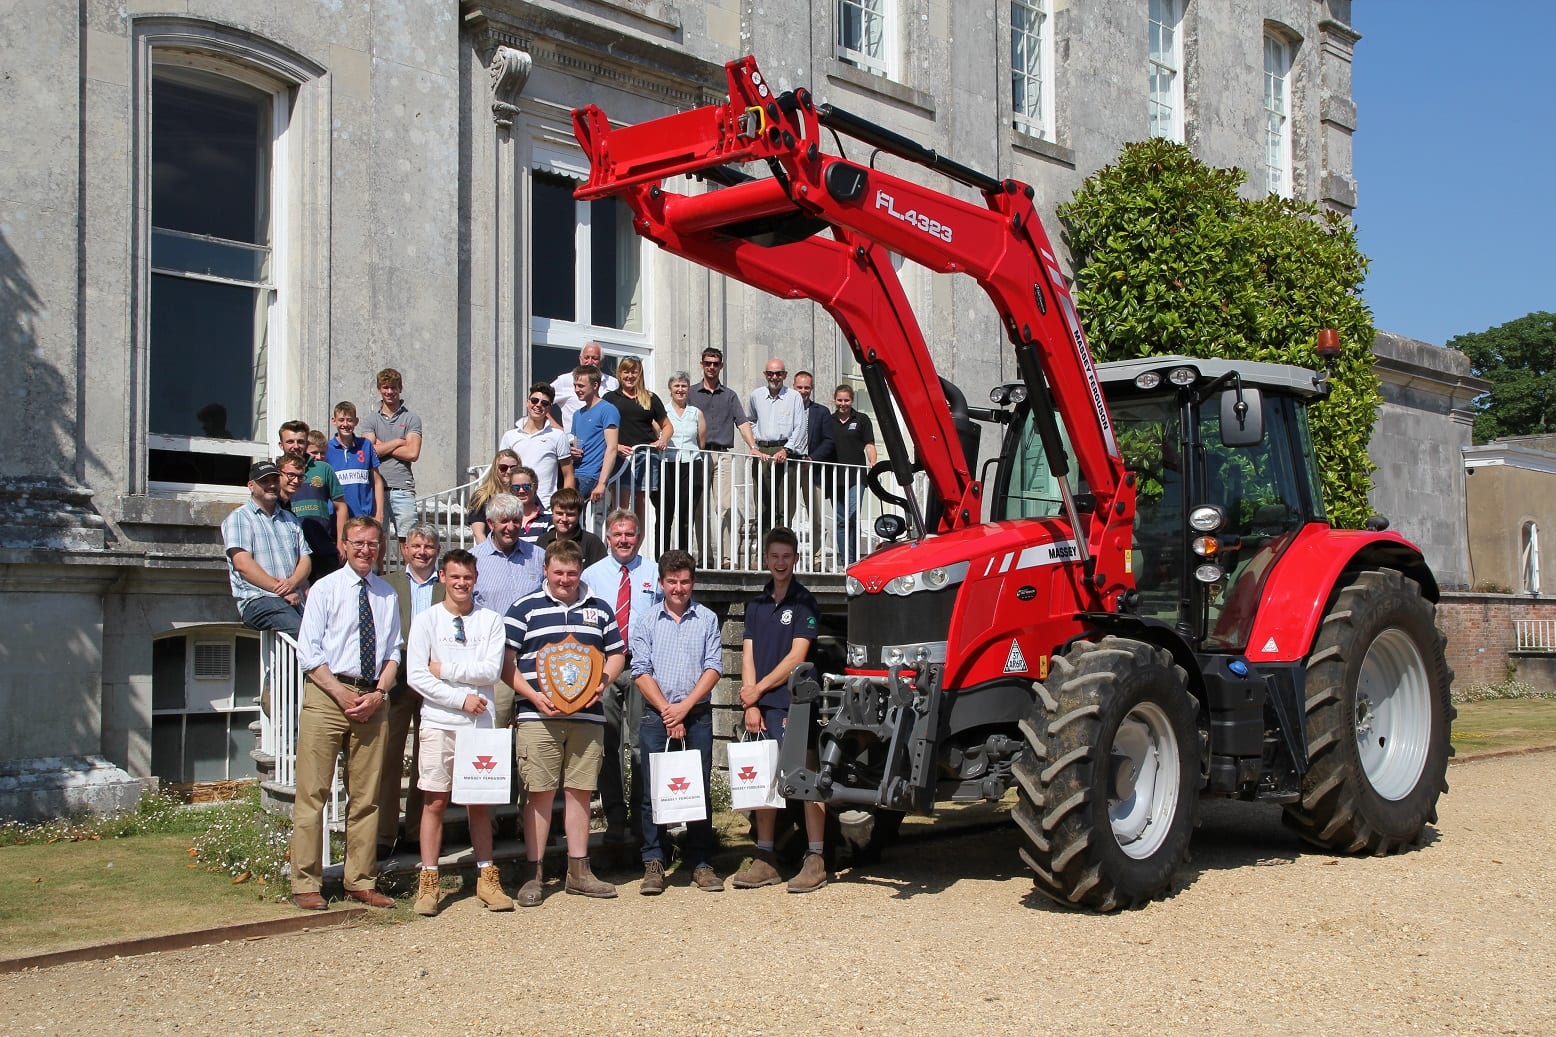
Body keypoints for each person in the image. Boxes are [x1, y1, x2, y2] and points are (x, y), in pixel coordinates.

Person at [502, 539, 628, 905]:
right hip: (537, 715)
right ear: (546, 570)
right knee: (538, 794)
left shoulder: (600, 609)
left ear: (580, 571)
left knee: (581, 793)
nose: (565, 579)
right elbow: (506, 663)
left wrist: (600, 684)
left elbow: (617, 654)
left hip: (587, 715)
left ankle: (579, 870)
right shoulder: (524, 608)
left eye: (572, 573)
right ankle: (534, 873)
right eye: (558, 572)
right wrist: (533, 694)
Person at [288, 516, 402, 911]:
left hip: (372, 698)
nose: (366, 550)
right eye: (358, 543)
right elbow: (309, 652)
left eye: (372, 544)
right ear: (344, 545)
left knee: (367, 798)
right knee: (313, 794)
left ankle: (360, 880)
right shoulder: (324, 589)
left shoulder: (387, 594)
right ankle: (305, 883)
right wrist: (339, 694)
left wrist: (379, 693)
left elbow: (393, 652)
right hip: (327, 694)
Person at [406, 547, 513, 915]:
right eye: (454, 577)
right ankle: (430, 881)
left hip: (479, 725)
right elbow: (416, 674)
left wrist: (446, 669)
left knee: (479, 805)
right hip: (439, 722)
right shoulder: (426, 621)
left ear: (475, 579)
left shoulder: (491, 621)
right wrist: (460, 699)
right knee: (434, 802)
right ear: (443, 578)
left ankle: (487, 877)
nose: (461, 584)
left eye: (467, 578)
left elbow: (490, 671)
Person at [730, 527, 827, 894]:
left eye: (787, 556)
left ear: (796, 559)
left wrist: (758, 689)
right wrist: (750, 700)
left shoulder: (805, 603)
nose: (780, 562)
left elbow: (796, 657)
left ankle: (816, 856)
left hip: (796, 702)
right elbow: (749, 655)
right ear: (766, 559)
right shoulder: (756, 606)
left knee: (806, 774)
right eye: (775, 556)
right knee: (765, 779)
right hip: (763, 704)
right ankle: (765, 856)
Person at [632, 549, 724, 894]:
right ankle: (653, 860)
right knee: (652, 790)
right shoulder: (646, 620)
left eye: (685, 581)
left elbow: (714, 667)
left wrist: (683, 708)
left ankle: (700, 861)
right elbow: (640, 670)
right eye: (672, 581)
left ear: (693, 582)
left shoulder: (708, 619)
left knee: (697, 789)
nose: (679, 588)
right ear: (661, 583)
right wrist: (668, 711)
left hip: (696, 714)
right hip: (657, 716)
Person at [583, 509, 658, 845]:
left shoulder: (654, 572)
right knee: (608, 744)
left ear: (638, 537)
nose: (624, 540)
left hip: (644, 669)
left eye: (630, 534)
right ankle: (615, 816)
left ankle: (644, 818)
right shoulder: (592, 576)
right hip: (605, 667)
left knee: (643, 745)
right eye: (618, 534)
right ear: (608, 538)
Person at [376, 522, 443, 860]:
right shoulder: (387, 585)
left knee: (426, 760)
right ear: (404, 549)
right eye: (416, 546)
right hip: (397, 678)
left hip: (433, 680)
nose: (422, 552)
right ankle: (385, 833)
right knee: (388, 758)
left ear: (437, 551)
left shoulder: (445, 589)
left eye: (428, 547)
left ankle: (418, 831)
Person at [221, 459, 311, 637]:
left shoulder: (290, 519)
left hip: (293, 599)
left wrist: (292, 583)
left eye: (274, 480)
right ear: (251, 486)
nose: (271, 485)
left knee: (327, 635)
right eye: (264, 481)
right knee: (305, 636)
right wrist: (281, 590)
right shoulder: (239, 518)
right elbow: (242, 565)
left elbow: (305, 559)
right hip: (258, 600)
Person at [692, 347, 759, 567]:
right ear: (702, 364)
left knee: (725, 506)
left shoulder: (729, 395)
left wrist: (753, 446)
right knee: (700, 508)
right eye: (708, 363)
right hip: (698, 455)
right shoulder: (691, 393)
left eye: (716, 363)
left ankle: (727, 557)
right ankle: (704, 557)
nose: (711, 367)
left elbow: (742, 422)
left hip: (722, 456)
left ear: (721, 366)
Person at [747, 358, 807, 554]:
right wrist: (755, 445)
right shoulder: (756, 395)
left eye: (779, 374)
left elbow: (800, 426)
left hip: (784, 451)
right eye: (771, 373)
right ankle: (765, 554)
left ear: (785, 375)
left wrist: (787, 450)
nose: (775, 377)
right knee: (763, 503)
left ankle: (782, 553)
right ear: (765, 375)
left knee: (784, 505)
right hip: (763, 450)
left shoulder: (794, 397)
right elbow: (751, 421)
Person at [604, 356, 670, 527]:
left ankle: (636, 547)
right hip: (621, 457)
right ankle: (617, 541)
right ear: (619, 374)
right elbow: (601, 428)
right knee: (620, 503)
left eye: (634, 371)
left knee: (640, 502)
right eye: (626, 371)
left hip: (645, 456)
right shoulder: (610, 398)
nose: (630, 376)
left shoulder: (650, 398)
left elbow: (668, 426)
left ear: (640, 374)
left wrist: (662, 439)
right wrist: (615, 446)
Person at [359, 367, 423, 544]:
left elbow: (412, 453)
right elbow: (367, 452)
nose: (389, 392)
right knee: (376, 539)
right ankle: (377, 573)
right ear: (379, 389)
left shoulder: (411, 419)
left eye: (393, 387)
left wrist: (380, 445)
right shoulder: (371, 420)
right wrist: (397, 441)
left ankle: (409, 573)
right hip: (374, 489)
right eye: (385, 387)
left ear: (400, 389)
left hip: (402, 487)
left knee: (409, 541)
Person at [279, 421, 347, 579]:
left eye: (300, 441)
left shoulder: (323, 468)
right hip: (290, 552)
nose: (296, 446)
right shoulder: (275, 473)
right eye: (290, 441)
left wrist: (341, 542)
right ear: (281, 444)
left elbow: (341, 507)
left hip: (322, 548)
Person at [499, 381, 574, 508]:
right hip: (514, 506)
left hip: (546, 507)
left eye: (544, 403)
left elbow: (568, 474)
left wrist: (566, 504)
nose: (538, 405)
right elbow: (501, 472)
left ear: (549, 408)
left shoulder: (558, 436)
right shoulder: (510, 436)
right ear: (528, 403)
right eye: (534, 400)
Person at [471, 492, 545, 615]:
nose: (510, 527)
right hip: (490, 633)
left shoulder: (539, 556)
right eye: (504, 521)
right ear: (490, 524)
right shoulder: (473, 559)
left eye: (515, 521)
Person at [659, 371, 705, 557]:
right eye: (676, 386)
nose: (680, 389)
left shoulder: (696, 413)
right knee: (666, 511)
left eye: (684, 386)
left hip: (691, 463)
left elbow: (701, 441)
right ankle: (661, 554)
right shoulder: (663, 411)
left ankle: (683, 554)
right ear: (670, 388)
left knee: (687, 513)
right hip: (669, 463)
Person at [792, 370, 836, 565]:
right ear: (794, 387)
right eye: (800, 387)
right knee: (785, 514)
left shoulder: (821, 411)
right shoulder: (787, 409)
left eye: (807, 387)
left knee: (817, 516)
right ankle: (786, 557)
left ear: (812, 388)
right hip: (790, 467)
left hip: (813, 469)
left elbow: (829, 440)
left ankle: (818, 558)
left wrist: (812, 458)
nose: (803, 391)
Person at [831, 383, 877, 565]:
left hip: (857, 477)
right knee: (841, 521)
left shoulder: (862, 419)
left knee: (851, 516)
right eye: (840, 400)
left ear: (852, 400)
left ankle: (854, 559)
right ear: (834, 400)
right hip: (835, 477)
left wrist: (872, 461)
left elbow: (869, 444)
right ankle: (846, 561)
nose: (843, 403)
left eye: (846, 400)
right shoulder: (829, 420)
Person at [568, 366, 620, 522]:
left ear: (595, 385)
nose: (577, 390)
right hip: (574, 473)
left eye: (581, 386)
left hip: (590, 476)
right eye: (575, 386)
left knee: (568, 511)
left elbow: (612, 448)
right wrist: (571, 452)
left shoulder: (607, 409)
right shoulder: (578, 414)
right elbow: (577, 443)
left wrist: (602, 483)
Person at [327, 401, 386, 527]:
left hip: (363, 519)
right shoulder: (326, 449)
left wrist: (379, 514)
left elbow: (377, 480)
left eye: (349, 420)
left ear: (356, 421)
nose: (345, 424)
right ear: (334, 421)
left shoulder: (365, 445)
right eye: (341, 420)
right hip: (335, 520)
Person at [550, 341, 618, 432]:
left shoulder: (613, 383)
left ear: (602, 362)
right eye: (586, 357)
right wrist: (559, 430)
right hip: (573, 442)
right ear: (580, 359)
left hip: (604, 442)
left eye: (595, 358)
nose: (590, 362)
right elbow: (539, 400)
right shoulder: (565, 380)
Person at [535, 487, 607, 569]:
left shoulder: (592, 542)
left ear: (579, 514)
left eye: (570, 514)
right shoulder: (543, 540)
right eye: (559, 513)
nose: (564, 519)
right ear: (552, 513)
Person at [468, 450, 522, 544]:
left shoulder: (525, 493)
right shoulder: (482, 496)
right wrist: (488, 554)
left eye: (513, 468)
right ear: (495, 470)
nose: (509, 471)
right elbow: (479, 534)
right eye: (503, 468)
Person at [510, 466, 552, 545]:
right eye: (516, 487)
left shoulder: (549, 519)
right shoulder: (506, 520)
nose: (521, 491)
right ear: (511, 490)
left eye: (526, 487)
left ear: (535, 487)